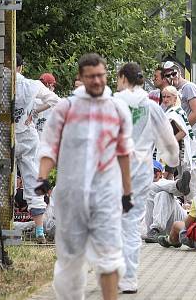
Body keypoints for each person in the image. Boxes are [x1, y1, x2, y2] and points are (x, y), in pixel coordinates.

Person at [36, 53, 134, 300]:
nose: (98, 81)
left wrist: (127, 191)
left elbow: (124, 152)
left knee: (110, 254)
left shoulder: (117, 109)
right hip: (72, 194)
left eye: (101, 75)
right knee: (70, 258)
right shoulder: (66, 109)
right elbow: (49, 146)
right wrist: (42, 177)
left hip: (106, 193)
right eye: (91, 77)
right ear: (80, 78)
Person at [114, 62, 180, 293]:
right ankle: (129, 279)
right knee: (131, 223)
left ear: (123, 78)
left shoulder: (112, 103)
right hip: (140, 171)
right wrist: (172, 162)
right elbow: (169, 142)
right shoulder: (152, 108)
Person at [14, 54, 60, 244]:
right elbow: (55, 101)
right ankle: (40, 231)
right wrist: (34, 111)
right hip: (28, 136)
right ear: (21, 67)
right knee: (33, 180)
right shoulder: (32, 85)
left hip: (5, 136)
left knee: (2, 181)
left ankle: (2, 227)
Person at [162, 61, 196, 194]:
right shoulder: (173, 90)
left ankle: (193, 201)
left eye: (173, 73)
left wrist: (182, 128)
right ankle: (185, 198)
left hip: (193, 134)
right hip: (184, 135)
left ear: (179, 72)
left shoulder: (188, 87)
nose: (171, 77)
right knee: (182, 168)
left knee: (192, 168)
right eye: (167, 75)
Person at [162, 85, 196, 199]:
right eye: (163, 97)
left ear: (174, 98)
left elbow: (183, 132)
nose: (165, 99)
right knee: (172, 179)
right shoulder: (176, 110)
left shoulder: (174, 112)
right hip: (177, 151)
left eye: (168, 97)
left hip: (177, 151)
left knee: (166, 179)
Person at [143, 161, 188, 243]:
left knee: (160, 191)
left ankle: (156, 230)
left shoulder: (162, 182)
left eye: (153, 172)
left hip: (179, 222)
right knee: (156, 191)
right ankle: (178, 186)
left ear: (160, 174)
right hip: (155, 228)